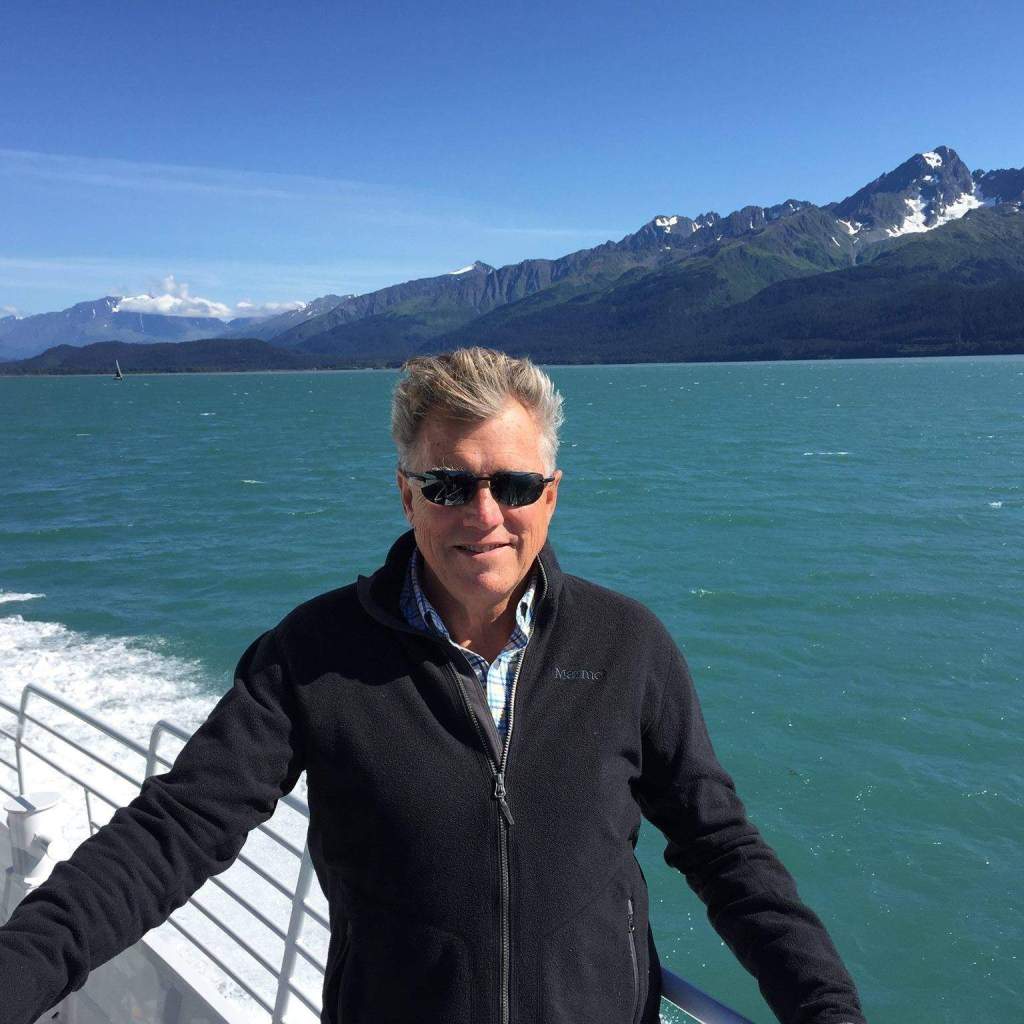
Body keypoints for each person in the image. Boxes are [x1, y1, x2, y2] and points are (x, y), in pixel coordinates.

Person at [0, 347, 866, 1024]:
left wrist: (828, 1009)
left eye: (514, 485)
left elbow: (722, 849)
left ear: (551, 495)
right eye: (450, 484)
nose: (485, 514)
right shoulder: (313, 655)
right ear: (406, 494)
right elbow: (176, 830)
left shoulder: (626, 646)